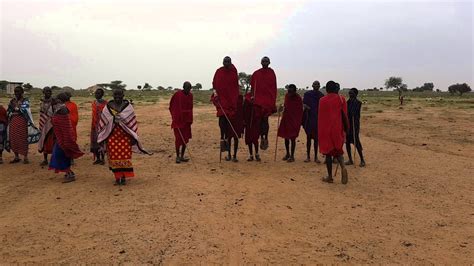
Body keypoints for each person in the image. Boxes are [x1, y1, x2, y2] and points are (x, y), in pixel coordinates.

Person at [97, 88, 150, 186]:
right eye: (115, 95)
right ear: (113, 96)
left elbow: (131, 121)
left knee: (125, 156)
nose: (117, 97)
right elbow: (103, 120)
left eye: (119, 95)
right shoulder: (108, 106)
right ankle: (117, 177)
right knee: (113, 157)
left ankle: (123, 177)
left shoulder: (128, 107)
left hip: (124, 136)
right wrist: (113, 119)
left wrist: (132, 137)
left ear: (123, 96)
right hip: (112, 135)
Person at [318, 81, 349, 184]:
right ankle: (343, 167)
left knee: (328, 154)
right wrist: (346, 129)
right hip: (337, 129)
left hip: (325, 130)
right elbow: (344, 116)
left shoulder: (322, 100)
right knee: (338, 151)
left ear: (326, 89)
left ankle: (330, 177)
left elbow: (321, 117)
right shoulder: (341, 99)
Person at [49, 93, 84, 183]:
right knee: (60, 156)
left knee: (60, 156)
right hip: (60, 138)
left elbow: (65, 127)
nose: (52, 103)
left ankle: (70, 174)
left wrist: (66, 140)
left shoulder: (62, 110)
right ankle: (68, 173)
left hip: (64, 139)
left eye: (53, 101)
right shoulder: (59, 109)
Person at [211, 56, 240, 160]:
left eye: (228, 62)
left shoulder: (233, 72)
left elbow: (235, 87)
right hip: (222, 102)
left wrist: (235, 99)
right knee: (222, 122)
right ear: (222, 62)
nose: (226, 63)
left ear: (231, 62)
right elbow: (214, 85)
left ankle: (232, 153)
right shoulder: (219, 72)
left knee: (232, 130)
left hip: (232, 103)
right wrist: (215, 94)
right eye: (225, 61)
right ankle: (222, 138)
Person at [250, 56, 277, 151]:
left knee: (265, 120)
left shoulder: (271, 73)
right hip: (258, 101)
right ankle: (260, 136)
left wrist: (273, 101)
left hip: (268, 101)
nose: (265, 62)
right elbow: (253, 87)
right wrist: (252, 96)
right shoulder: (256, 74)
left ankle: (265, 136)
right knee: (259, 121)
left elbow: (273, 88)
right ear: (261, 62)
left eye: (266, 61)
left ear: (269, 62)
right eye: (263, 61)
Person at [7, 86, 37, 164]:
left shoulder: (25, 100)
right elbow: (9, 110)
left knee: (23, 138)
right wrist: (14, 109)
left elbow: (25, 109)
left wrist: (16, 108)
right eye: (15, 92)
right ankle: (16, 156)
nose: (16, 93)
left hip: (22, 121)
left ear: (22, 92)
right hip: (13, 121)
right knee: (13, 138)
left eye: (18, 92)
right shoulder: (12, 100)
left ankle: (25, 157)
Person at [277, 84, 303, 162]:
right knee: (286, 137)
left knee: (292, 138)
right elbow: (285, 106)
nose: (289, 93)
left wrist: (298, 121)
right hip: (286, 119)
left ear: (295, 91)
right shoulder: (286, 96)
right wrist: (281, 108)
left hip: (294, 121)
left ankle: (292, 156)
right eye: (289, 91)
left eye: (291, 92)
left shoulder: (298, 98)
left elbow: (300, 110)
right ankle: (287, 153)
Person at [169, 82, 193, 164]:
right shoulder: (177, 95)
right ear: (183, 87)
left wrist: (189, 118)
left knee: (185, 140)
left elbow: (191, 107)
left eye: (189, 89)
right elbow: (171, 106)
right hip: (178, 121)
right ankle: (177, 156)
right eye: (187, 88)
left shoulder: (190, 95)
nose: (188, 90)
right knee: (178, 140)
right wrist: (175, 117)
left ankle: (182, 156)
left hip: (187, 121)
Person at [302, 80, 324, 163]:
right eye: (315, 84)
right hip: (309, 118)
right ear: (312, 85)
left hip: (318, 120)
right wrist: (307, 107)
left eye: (318, 84)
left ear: (319, 86)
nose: (316, 86)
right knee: (308, 138)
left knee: (316, 139)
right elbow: (303, 103)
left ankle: (315, 157)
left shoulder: (321, 95)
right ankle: (308, 157)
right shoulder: (307, 94)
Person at [345, 88, 366, 167]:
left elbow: (354, 113)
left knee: (356, 142)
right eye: (349, 93)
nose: (350, 95)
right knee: (347, 143)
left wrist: (351, 113)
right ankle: (350, 159)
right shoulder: (347, 102)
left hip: (355, 125)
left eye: (352, 93)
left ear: (356, 94)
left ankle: (362, 160)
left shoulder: (358, 103)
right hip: (348, 125)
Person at [38, 87, 55, 166]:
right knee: (44, 140)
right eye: (46, 91)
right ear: (43, 92)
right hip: (43, 124)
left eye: (49, 91)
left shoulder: (54, 101)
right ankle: (45, 159)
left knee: (53, 141)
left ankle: (53, 159)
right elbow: (41, 112)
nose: (48, 93)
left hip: (52, 124)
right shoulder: (41, 101)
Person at [90, 88, 107, 165]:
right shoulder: (94, 103)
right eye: (96, 93)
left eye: (99, 93)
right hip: (94, 126)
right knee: (95, 142)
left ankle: (103, 158)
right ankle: (98, 158)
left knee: (102, 142)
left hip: (103, 126)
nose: (97, 95)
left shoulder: (106, 104)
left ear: (102, 94)